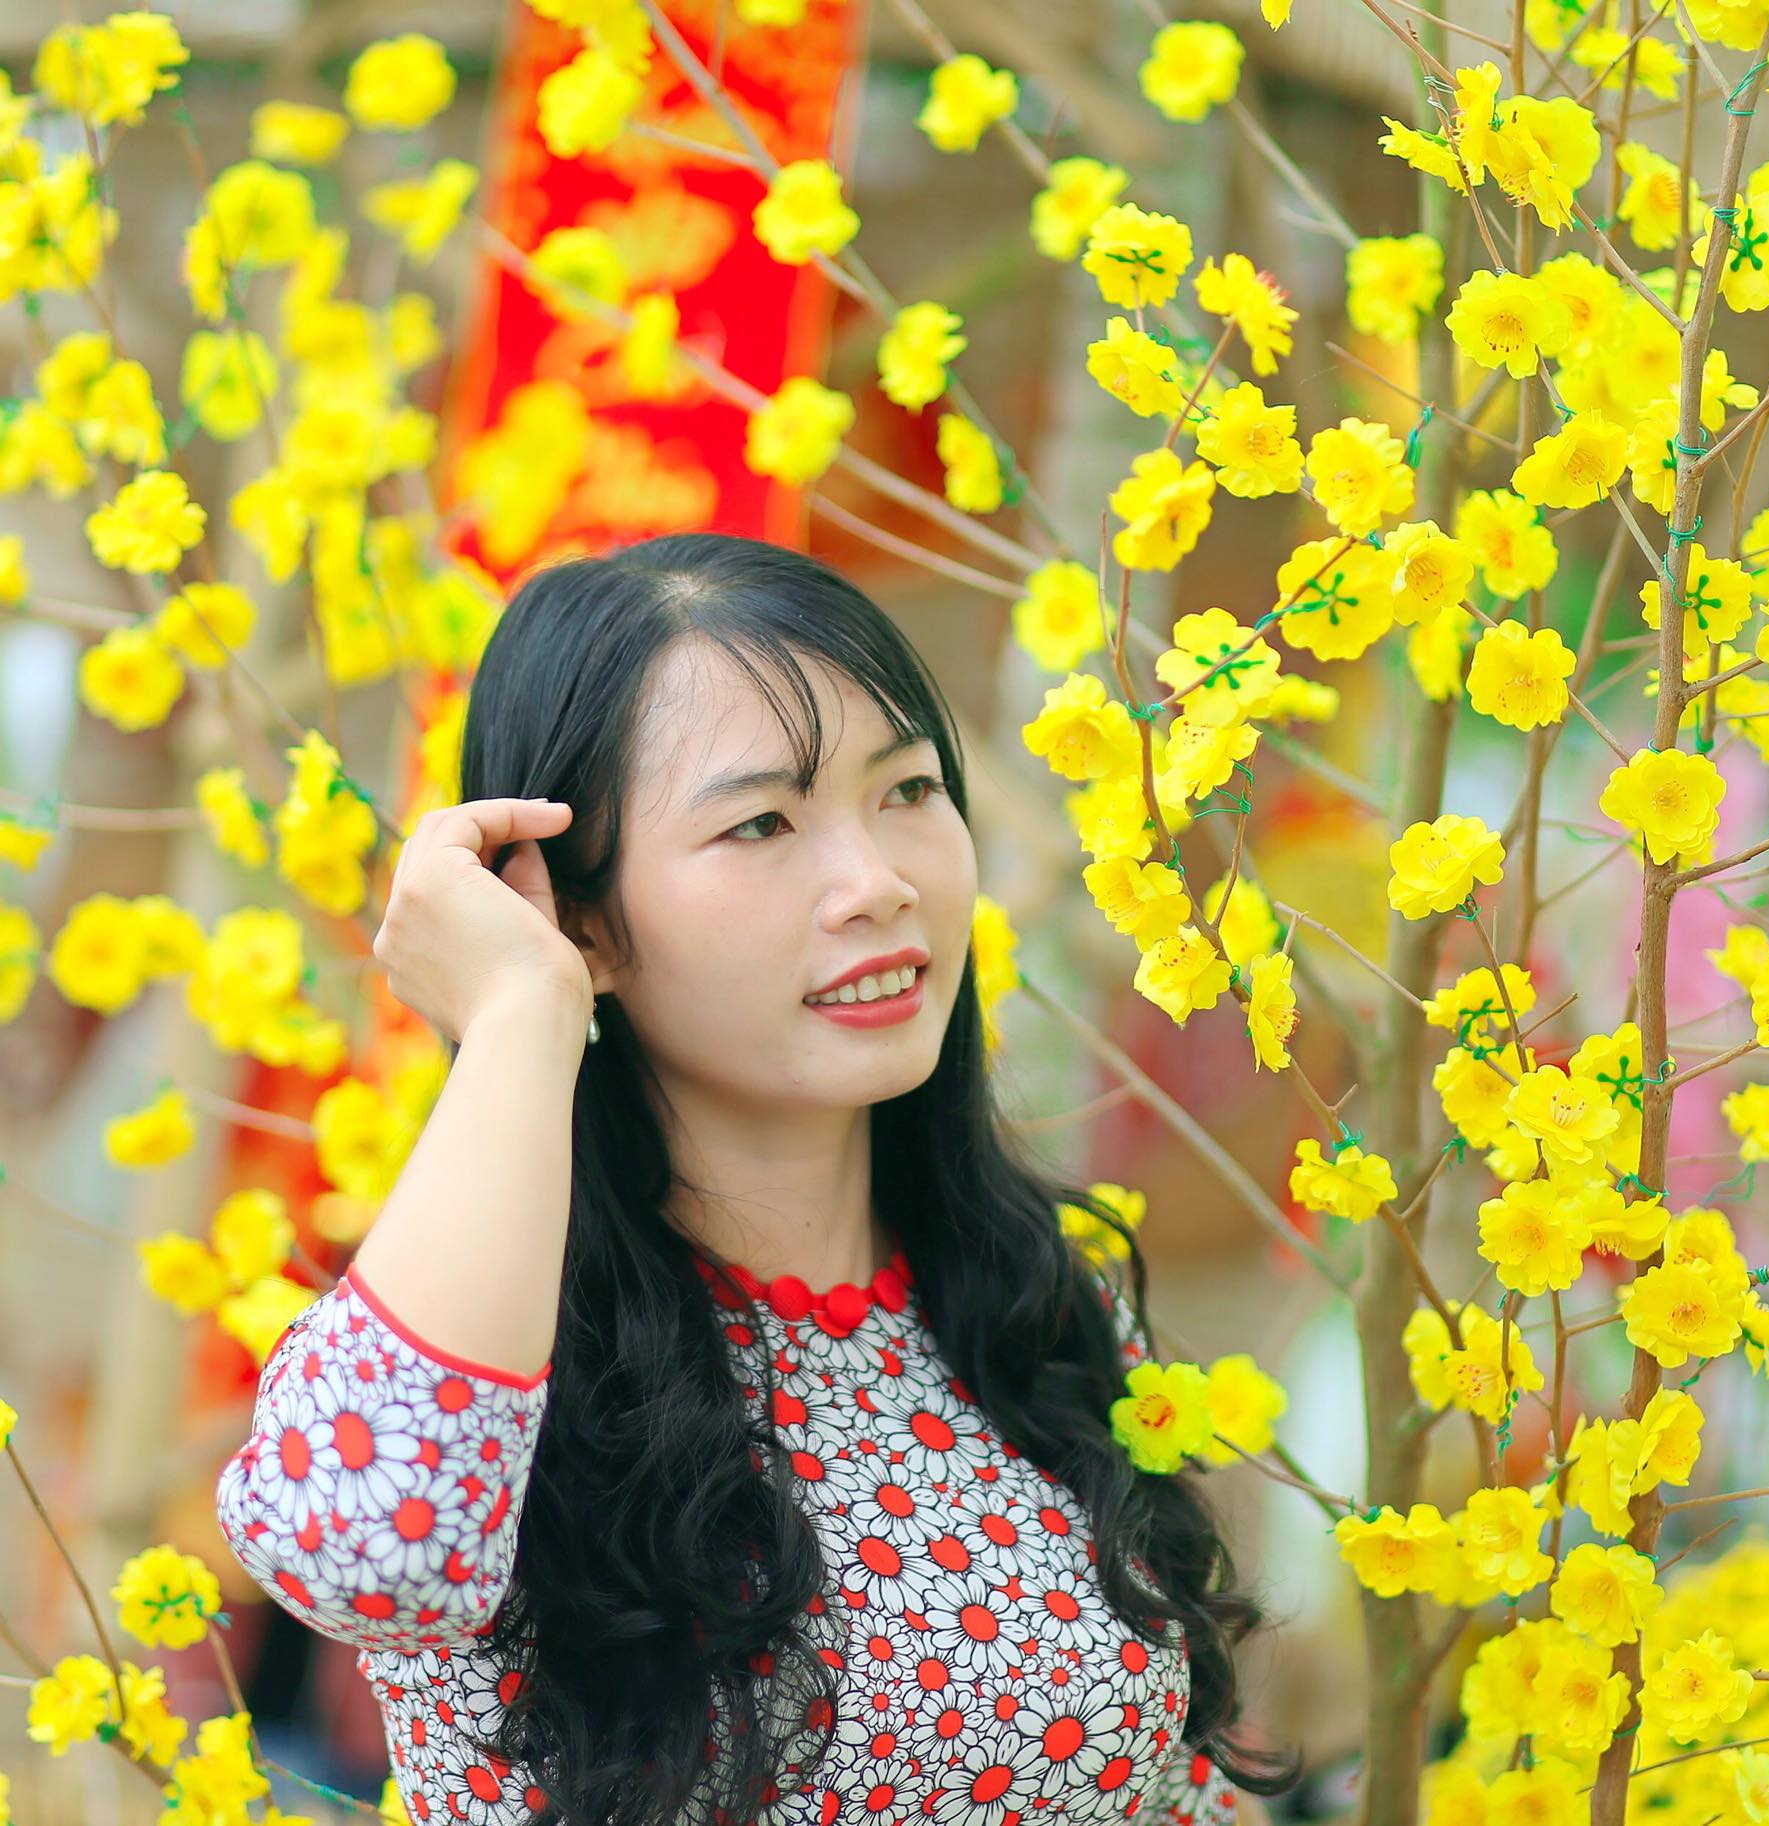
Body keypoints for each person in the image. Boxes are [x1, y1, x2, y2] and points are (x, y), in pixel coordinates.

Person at [215, 532, 1300, 1826]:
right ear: (582, 919)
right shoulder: (496, 1352)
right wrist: (515, 1012)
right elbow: (361, 1552)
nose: (876, 883)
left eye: (907, 789)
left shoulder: (1028, 1304)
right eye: (762, 823)